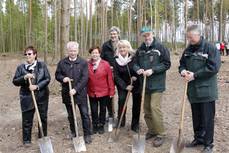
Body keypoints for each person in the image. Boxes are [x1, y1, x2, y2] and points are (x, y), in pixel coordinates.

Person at [179, 25, 221, 153]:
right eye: (188, 38)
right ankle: (199, 138)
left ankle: (208, 144)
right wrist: (183, 71)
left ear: (198, 35)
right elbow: (182, 64)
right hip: (192, 90)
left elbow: (213, 68)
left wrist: (195, 75)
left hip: (207, 91)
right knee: (196, 117)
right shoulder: (188, 50)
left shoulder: (210, 48)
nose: (189, 40)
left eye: (191, 37)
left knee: (207, 118)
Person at [133, 26, 171, 147]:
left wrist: (153, 70)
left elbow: (166, 64)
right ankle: (152, 130)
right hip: (144, 84)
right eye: (144, 35)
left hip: (157, 84)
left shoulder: (160, 47)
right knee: (147, 109)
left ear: (152, 34)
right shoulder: (140, 50)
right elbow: (134, 63)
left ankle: (161, 133)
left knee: (155, 108)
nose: (146, 37)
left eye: (148, 35)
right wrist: (138, 69)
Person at [12, 46, 51, 146]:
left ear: (35, 55)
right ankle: (26, 140)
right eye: (26, 54)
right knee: (27, 119)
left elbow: (47, 79)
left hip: (42, 96)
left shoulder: (42, 65)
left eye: (29, 54)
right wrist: (24, 77)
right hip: (26, 97)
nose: (27, 56)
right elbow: (15, 81)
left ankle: (42, 137)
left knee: (43, 118)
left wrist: (37, 86)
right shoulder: (21, 68)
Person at [55, 41, 92, 144]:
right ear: (68, 51)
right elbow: (57, 75)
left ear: (78, 51)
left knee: (84, 114)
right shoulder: (62, 63)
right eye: (71, 51)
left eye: (74, 50)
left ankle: (87, 134)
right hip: (67, 93)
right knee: (71, 115)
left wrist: (76, 89)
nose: (73, 53)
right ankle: (73, 132)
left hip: (80, 93)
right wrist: (63, 78)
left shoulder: (83, 62)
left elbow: (85, 78)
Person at [113, 40, 141, 132]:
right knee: (121, 100)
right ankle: (121, 121)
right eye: (120, 47)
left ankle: (135, 124)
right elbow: (116, 76)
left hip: (135, 83)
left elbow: (138, 68)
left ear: (128, 48)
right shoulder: (116, 60)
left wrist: (136, 76)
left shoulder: (134, 58)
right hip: (123, 85)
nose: (122, 49)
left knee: (136, 104)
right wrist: (125, 86)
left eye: (124, 47)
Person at [87, 46, 115, 134]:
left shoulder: (105, 64)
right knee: (94, 110)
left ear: (99, 54)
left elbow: (110, 79)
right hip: (92, 91)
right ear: (91, 54)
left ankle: (101, 125)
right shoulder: (87, 64)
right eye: (93, 53)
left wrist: (112, 91)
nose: (94, 54)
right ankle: (95, 125)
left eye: (96, 53)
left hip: (104, 92)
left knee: (103, 109)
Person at [101, 26, 121, 119]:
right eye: (111, 34)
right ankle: (110, 114)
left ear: (118, 34)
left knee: (121, 96)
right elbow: (102, 59)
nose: (113, 36)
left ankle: (121, 116)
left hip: (121, 74)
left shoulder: (122, 44)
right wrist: (108, 67)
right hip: (108, 74)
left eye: (115, 34)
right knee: (109, 94)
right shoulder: (105, 45)